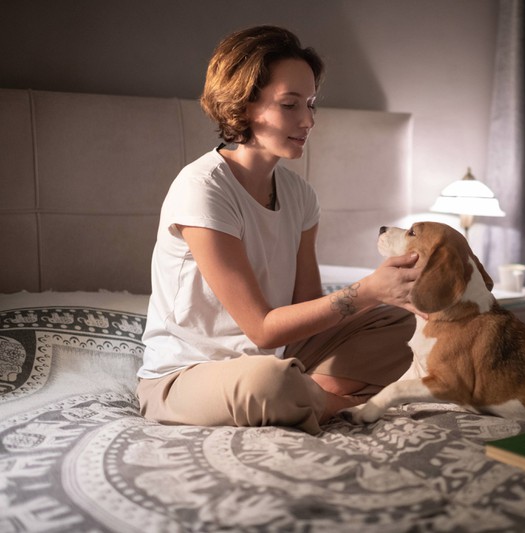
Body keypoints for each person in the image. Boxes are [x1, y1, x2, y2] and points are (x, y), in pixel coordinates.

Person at [136, 25, 421, 435]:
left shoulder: (300, 195)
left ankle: (308, 397)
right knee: (270, 381)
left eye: (310, 104)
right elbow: (261, 327)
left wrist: (385, 296)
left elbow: (306, 307)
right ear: (246, 105)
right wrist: (366, 290)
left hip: (284, 355)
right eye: (290, 105)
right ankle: (332, 402)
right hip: (188, 375)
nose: (308, 120)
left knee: (394, 320)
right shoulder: (202, 189)